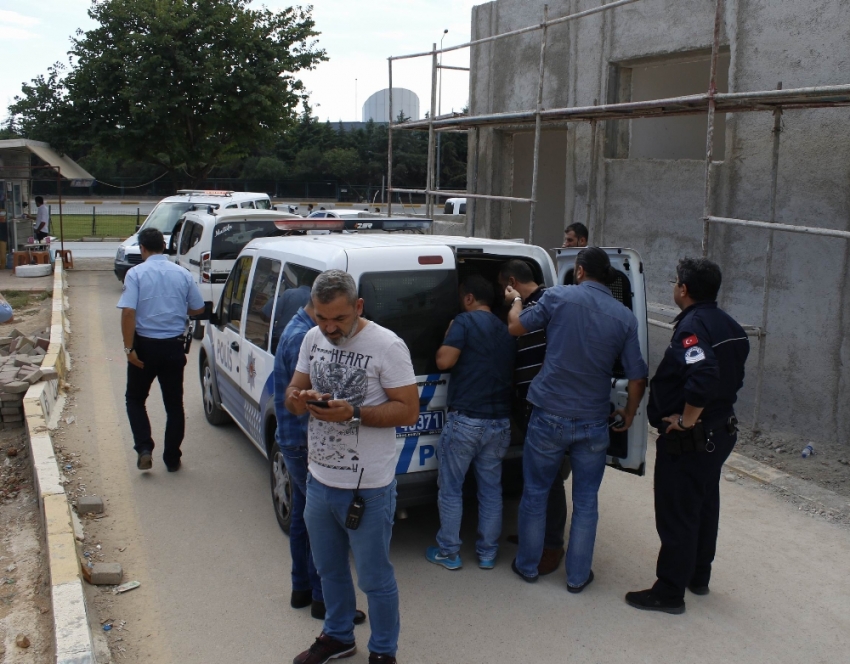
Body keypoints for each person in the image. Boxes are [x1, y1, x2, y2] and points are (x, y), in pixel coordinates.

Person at [285, 269, 419, 664]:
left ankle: (383, 651)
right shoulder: (312, 339)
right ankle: (339, 636)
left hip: (368, 488)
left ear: (358, 307)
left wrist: (354, 413)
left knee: (375, 579)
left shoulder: (387, 346)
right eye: (321, 317)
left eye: (339, 319)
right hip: (319, 479)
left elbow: (409, 411)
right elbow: (293, 394)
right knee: (329, 570)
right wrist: (301, 398)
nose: (329, 327)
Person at [506, 247, 648, 591]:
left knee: (537, 492)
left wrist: (514, 303)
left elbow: (516, 329)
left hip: (548, 415)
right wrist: (628, 413)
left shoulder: (558, 297)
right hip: (592, 421)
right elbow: (637, 376)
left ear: (580, 271)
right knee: (586, 501)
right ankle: (577, 576)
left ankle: (527, 566)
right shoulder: (624, 318)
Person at [626, 258, 749, 615]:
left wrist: (687, 418)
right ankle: (698, 575)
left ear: (684, 289)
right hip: (720, 431)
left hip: (691, 439)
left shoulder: (691, 328)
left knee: (677, 512)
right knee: (704, 503)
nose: (674, 286)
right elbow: (731, 373)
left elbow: (705, 372)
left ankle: (668, 592)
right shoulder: (730, 324)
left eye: (676, 281)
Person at [273, 297, 366, 624]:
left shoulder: (295, 326)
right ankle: (322, 598)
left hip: (293, 440)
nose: (334, 328)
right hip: (304, 442)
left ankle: (302, 588)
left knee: (301, 515)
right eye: (330, 318)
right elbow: (309, 401)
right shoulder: (306, 337)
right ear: (317, 307)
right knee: (322, 524)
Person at [425, 275, 515, 571]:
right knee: (491, 489)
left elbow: (444, 362)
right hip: (499, 423)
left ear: (468, 298)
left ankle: (449, 551)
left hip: (466, 421)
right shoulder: (506, 330)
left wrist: (449, 332)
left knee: (451, 487)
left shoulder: (464, 323)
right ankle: (488, 552)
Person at [498, 259, 568, 576]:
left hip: (542, 405)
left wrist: (513, 300)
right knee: (534, 477)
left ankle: (552, 546)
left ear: (512, 281)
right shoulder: (535, 303)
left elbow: (516, 325)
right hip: (527, 402)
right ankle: (533, 536)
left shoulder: (542, 303)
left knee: (549, 480)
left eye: (505, 287)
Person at [118, 228, 205, 471]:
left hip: (144, 347)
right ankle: (172, 458)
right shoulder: (183, 274)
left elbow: (128, 312)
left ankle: (144, 448)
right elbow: (197, 308)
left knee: (135, 399)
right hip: (173, 347)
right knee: (174, 405)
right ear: (164, 247)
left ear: (143, 249)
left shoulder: (135, 274)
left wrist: (129, 349)